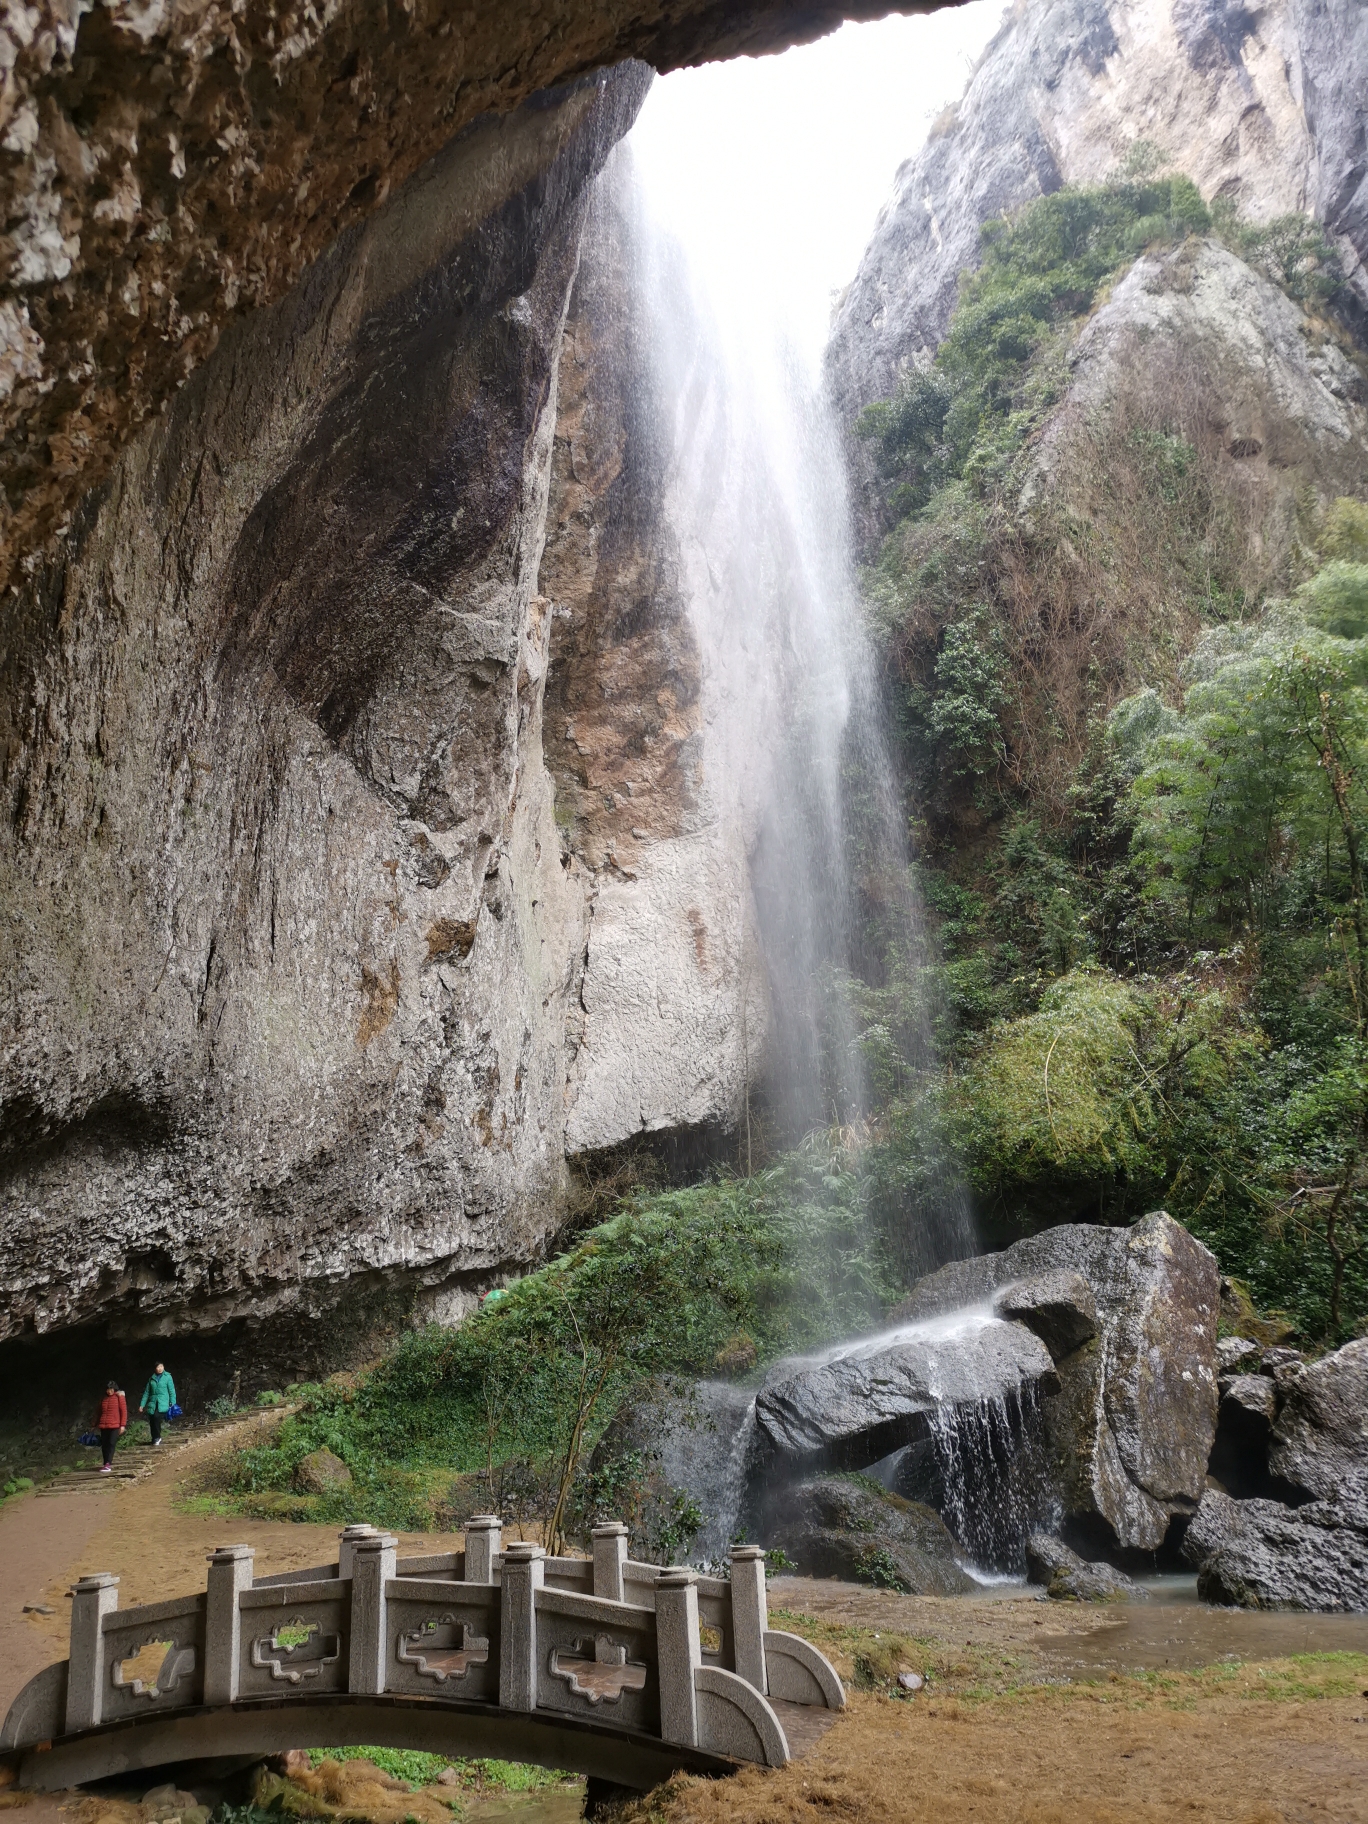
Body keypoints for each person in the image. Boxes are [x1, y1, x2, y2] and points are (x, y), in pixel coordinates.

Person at [139, 1361, 176, 1447]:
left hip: (163, 1403)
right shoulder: (151, 1379)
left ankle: (157, 1437)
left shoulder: (168, 1377)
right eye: (158, 1367)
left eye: (161, 1366)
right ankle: (154, 1438)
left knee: (156, 1417)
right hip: (153, 1403)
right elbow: (146, 1393)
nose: (160, 1368)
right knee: (152, 1419)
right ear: (155, 1369)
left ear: (163, 1367)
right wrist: (142, 1405)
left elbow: (172, 1391)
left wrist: (172, 1403)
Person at [95, 1380, 127, 1474]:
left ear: (114, 1389)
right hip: (104, 1425)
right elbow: (98, 1412)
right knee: (104, 1445)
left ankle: (108, 1464)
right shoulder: (103, 1399)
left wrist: (122, 1425)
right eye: (108, 1389)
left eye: (111, 1389)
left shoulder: (119, 1397)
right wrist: (93, 1424)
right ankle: (105, 1463)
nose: (109, 1391)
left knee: (111, 1444)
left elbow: (123, 1411)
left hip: (115, 1425)